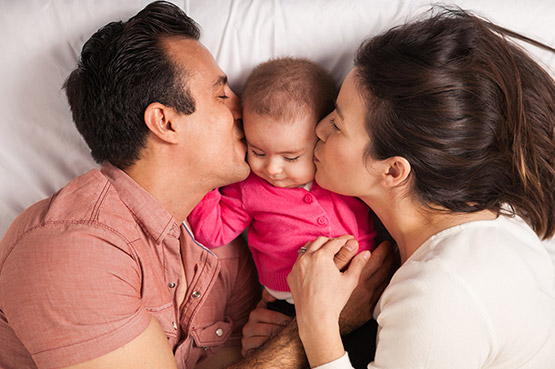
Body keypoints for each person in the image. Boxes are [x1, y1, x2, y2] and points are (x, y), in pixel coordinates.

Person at [0, 2, 393, 368]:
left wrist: (269, 337)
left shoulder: (233, 254)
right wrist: (321, 323)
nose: (242, 107)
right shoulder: (75, 248)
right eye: (221, 94)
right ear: (166, 122)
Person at [287, 8, 555, 369]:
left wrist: (316, 324)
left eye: (337, 123)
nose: (318, 129)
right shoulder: (498, 217)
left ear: (394, 170)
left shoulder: (441, 292)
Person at [188, 57, 377, 315]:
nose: (272, 169)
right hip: (289, 302)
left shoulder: (342, 175)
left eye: (291, 158)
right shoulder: (248, 189)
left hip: (364, 286)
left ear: (323, 139)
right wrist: (207, 180)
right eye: (257, 151)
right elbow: (212, 233)